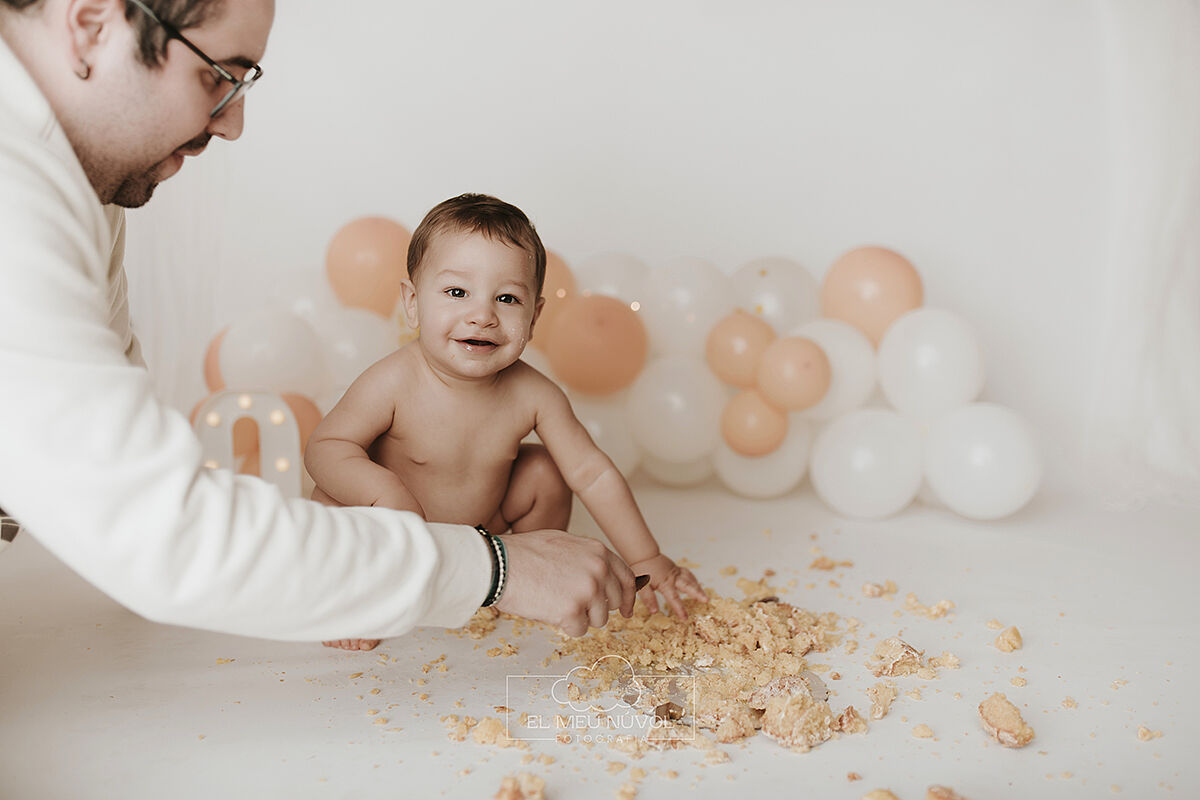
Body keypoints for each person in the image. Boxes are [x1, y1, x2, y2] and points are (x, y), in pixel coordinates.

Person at [0, 0, 639, 642]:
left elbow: (114, 462)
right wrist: (493, 570)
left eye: (243, 84)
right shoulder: (14, 199)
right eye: (217, 74)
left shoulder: (82, 196)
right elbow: (162, 535)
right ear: (89, 27)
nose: (234, 124)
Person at [306, 194, 707, 651]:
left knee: (545, 471)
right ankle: (354, 601)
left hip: (481, 532)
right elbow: (326, 447)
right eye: (457, 292)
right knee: (328, 501)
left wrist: (648, 557)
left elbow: (591, 473)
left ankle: (528, 576)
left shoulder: (531, 393)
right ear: (413, 303)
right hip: (390, 530)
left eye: (507, 298)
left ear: (533, 317)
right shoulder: (393, 381)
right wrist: (383, 492)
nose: (482, 314)